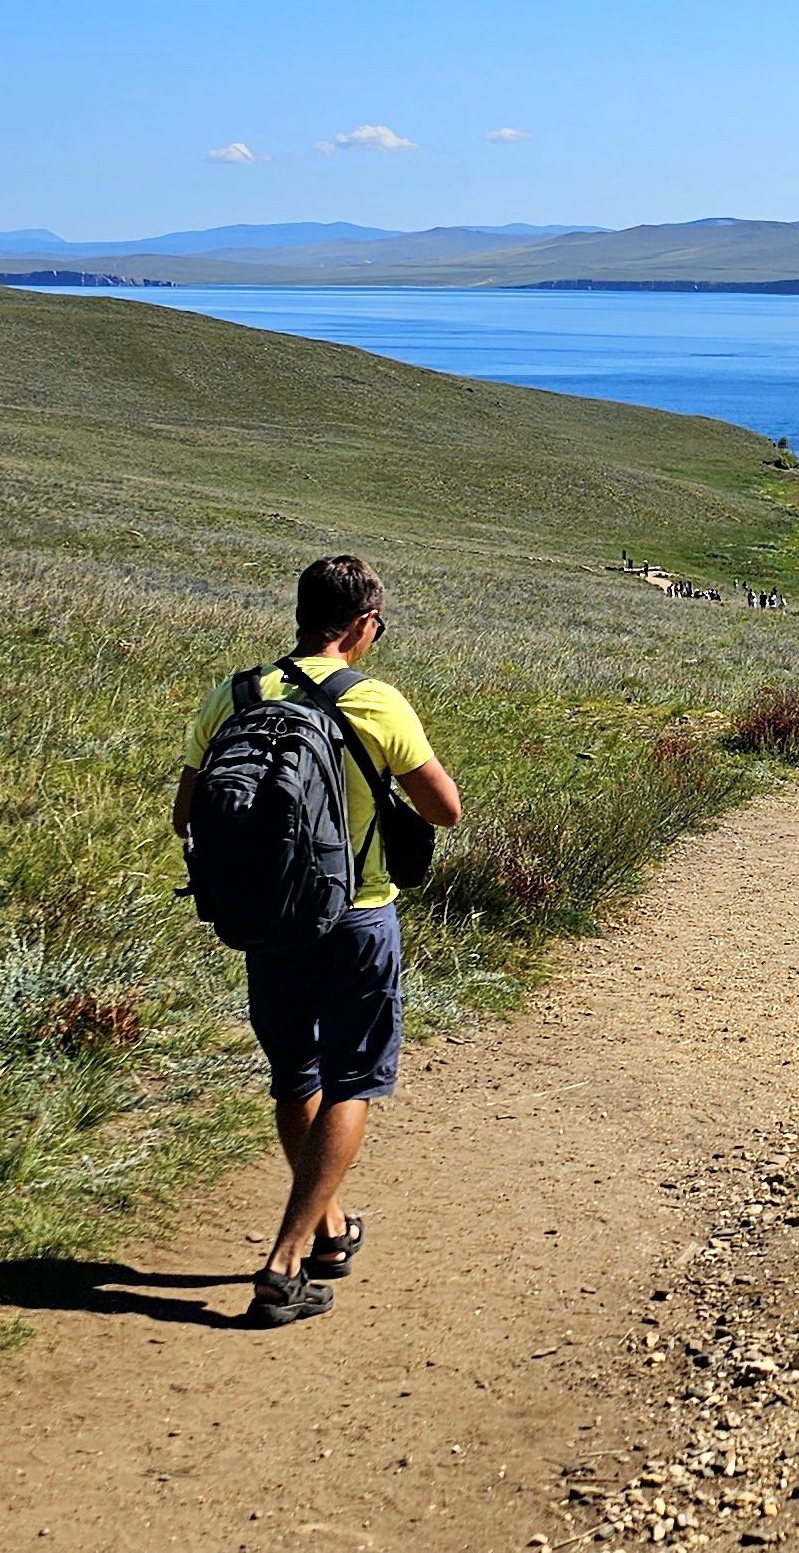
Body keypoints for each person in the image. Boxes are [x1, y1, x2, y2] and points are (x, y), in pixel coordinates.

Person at [175, 555, 465, 1327]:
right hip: (358, 917)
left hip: (265, 923)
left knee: (294, 1075)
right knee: (353, 1081)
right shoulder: (376, 702)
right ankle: (284, 1261)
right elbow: (446, 810)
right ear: (365, 623)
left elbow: (187, 817)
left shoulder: (235, 694)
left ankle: (330, 1230)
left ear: (301, 613)